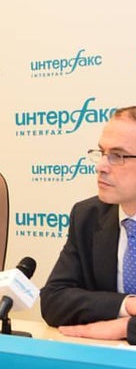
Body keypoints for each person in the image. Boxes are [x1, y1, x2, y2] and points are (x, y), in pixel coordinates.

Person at [40, 106, 136, 344]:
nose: (101, 166)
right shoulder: (87, 216)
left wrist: (127, 327)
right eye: (102, 152)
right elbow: (54, 300)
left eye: (118, 156)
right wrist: (126, 305)